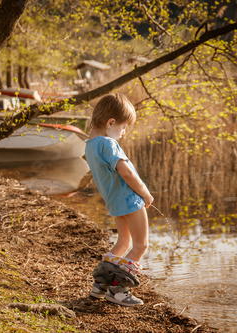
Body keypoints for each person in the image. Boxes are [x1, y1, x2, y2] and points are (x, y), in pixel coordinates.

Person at [85, 93, 154, 307]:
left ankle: (101, 284)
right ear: (111, 122)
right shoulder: (108, 144)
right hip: (130, 200)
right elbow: (127, 173)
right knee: (141, 245)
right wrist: (145, 193)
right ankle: (118, 289)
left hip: (115, 202)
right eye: (123, 128)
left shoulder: (90, 145)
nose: (123, 133)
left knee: (124, 243)